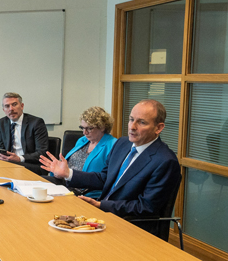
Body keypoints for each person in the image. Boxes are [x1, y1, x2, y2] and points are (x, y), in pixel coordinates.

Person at [39, 99, 181, 237]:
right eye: (131, 119)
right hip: (103, 215)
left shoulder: (164, 161)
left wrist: (102, 205)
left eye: (141, 122)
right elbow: (104, 178)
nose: (132, 127)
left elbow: (145, 207)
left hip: (130, 225)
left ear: (159, 128)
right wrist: (68, 173)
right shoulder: (123, 143)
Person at [62, 106, 117, 199]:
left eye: (89, 128)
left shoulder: (113, 145)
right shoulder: (82, 140)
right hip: (68, 184)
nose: (84, 132)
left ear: (102, 127)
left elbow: (107, 180)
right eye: (82, 128)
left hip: (87, 193)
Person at [0, 92, 49, 175]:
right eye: (7, 106)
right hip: (10, 163)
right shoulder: (2, 123)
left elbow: (42, 153)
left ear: (22, 106)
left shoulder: (36, 123)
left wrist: (19, 158)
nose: (11, 109)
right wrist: (0, 156)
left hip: (31, 164)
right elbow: (1, 147)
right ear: (4, 110)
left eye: (14, 104)